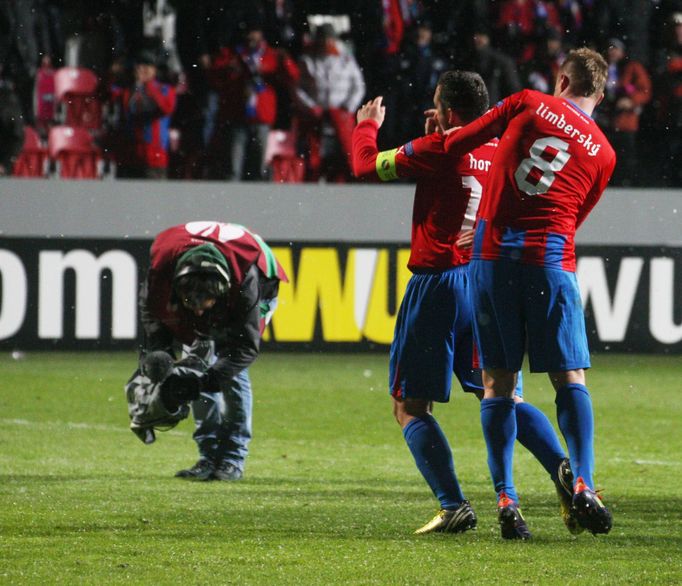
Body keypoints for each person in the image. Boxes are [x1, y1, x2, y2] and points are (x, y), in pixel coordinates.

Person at [352, 71, 577, 536]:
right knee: (500, 394)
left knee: (410, 406)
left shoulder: (438, 149)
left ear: (448, 112)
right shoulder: (505, 150)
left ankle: (453, 504)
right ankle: (563, 469)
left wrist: (367, 126)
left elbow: (365, 165)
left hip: (438, 284)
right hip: (486, 281)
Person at [443, 48, 616, 539]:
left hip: (493, 259)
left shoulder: (527, 102)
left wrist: (443, 129)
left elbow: (464, 141)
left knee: (498, 385)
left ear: (561, 79)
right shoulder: (604, 152)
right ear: (598, 96)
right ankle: (581, 481)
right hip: (550, 261)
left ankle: (507, 500)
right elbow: (575, 216)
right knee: (569, 378)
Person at [138, 221, 287, 480]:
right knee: (197, 361)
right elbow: (152, 313)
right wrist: (159, 358)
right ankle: (208, 455)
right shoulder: (163, 268)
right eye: (190, 303)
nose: (198, 312)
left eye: (206, 304)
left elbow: (244, 350)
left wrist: (202, 383)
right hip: (212, 273)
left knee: (228, 369)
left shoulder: (244, 282)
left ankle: (232, 458)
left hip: (262, 284)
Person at [296, 23, 366, 182]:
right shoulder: (307, 60)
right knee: (313, 154)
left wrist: (348, 107)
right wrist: (311, 107)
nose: (326, 43)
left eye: (329, 39)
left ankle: (344, 181)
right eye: (323, 39)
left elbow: (358, 85)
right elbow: (298, 89)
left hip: (341, 118)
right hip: (316, 118)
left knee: (345, 152)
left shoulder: (346, 59)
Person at [111, 50, 177, 179]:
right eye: (138, 65)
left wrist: (148, 85)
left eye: (146, 66)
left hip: (154, 158)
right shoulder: (127, 90)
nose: (141, 69)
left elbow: (165, 108)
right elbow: (110, 95)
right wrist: (115, 75)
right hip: (130, 156)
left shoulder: (165, 90)